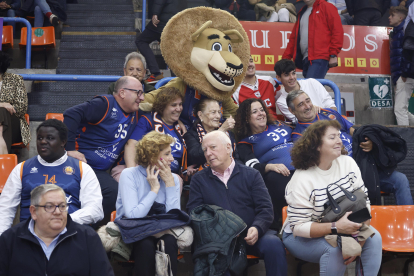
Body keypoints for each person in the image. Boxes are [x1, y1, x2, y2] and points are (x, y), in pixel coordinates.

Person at [282, 120, 382, 276]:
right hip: (302, 236)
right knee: (336, 249)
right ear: (316, 145)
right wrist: (336, 227)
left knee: (374, 239)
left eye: (339, 135)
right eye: (332, 137)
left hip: (343, 228)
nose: (339, 140)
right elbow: (299, 228)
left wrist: (359, 240)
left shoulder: (347, 162)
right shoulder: (301, 180)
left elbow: (365, 203)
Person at [187, 130, 287, 276]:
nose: (208, 153)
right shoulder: (199, 180)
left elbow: (265, 208)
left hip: (251, 234)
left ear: (229, 147)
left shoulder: (251, 174)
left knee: (273, 244)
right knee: (220, 263)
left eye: (213, 147)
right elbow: (195, 213)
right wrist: (223, 232)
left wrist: (257, 228)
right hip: (219, 240)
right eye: (205, 150)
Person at [287, 90, 414, 205]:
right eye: (301, 105)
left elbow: (353, 130)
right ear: (292, 111)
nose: (307, 106)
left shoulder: (329, 113)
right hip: (343, 176)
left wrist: (368, 142)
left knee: (400, 180)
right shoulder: (299, 135)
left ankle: (410, 225)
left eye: (308, 101)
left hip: (366, 163)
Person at [63, 76, 143, 227]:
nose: (142, 97)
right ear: (122, 93)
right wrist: (70, 148)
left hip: (98, 171)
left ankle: (85, 230)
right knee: (108, 192)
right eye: (138, 93)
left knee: (114, 193)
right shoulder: (104, 104)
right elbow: (71, 113)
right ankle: (76, 229)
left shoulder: (136, 114)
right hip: (79, 165)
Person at [0, 119, 103, 235]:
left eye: (50, 138)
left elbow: (96, 210)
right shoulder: (21, 168)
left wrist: (62, 220)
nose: (43, 142)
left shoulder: (82, 169)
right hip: (29, 237)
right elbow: (5, 209)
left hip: (70, 234)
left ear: (63, 142)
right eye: (40, 138)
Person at [0, 184, 114, 275]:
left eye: (62, 206)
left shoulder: (87, 237)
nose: (58, 212)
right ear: (34, 212)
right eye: (49, 206)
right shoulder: (10, 239)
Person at [116, 131, 181, 276]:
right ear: (152, 156)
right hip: (134, 231)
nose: (172, 158)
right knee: (145, 244)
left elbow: (174, 219)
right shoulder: (129, 175)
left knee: (170, 241)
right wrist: (154, 190)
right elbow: (133, 216)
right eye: (167, 154)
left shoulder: (173, 179)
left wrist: (170, 184)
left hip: (163, 230)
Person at [235, 98, 294, 228]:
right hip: (281, 173)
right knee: (274, 179)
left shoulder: (280, 124)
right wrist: (270, 166)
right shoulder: (246, 143)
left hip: (304, 164)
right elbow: (252, 166)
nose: (261, 113)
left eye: (262, 110)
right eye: (255, 111)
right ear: (246, 118)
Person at [124, 87, 186, 175]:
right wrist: (133, 174)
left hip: (173, 174)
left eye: (180, 104)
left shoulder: (181, 128)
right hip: (147, 171)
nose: (179, 108)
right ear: (163, 106)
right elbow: (131, 145)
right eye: (174, 105)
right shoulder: (149, 120)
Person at [282, 0, 343, 79]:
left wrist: (333, 54)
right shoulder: (302, 12)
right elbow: (293, 39)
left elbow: (337, 31)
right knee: (311, 88)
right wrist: (284, 60)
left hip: (320, 57)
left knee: (310, 88)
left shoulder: (327, 7)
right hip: (305, 58)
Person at [135, 0, 186, 83]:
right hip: (175, 23)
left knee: (141, 41)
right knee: (169, 50)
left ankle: (156, 73)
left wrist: (155, 13)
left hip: (162, 22)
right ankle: (176, 80)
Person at [184, 98, 237, 170]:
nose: (218, 116)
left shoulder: (228, 133)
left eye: (219, 112)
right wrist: (220, 132)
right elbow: (195, 156)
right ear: (200, 115)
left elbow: (237, 158)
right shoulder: (191, 135)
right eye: (213, 112)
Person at [0, 52, 30, 154]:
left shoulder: (15, 79)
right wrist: (2, 104)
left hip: (13, 124)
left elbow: (21, 108)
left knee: (2, 111)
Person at [389, 6, 411, 125]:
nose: (389, 17)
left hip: (405, 75)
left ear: (401, 17)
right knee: (403, 109)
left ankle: (406, 142)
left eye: (392, 15)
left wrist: (404, 73)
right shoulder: (397, 32)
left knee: (399, 110)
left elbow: (408, 54)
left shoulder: (404, 32)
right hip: (401, 75)